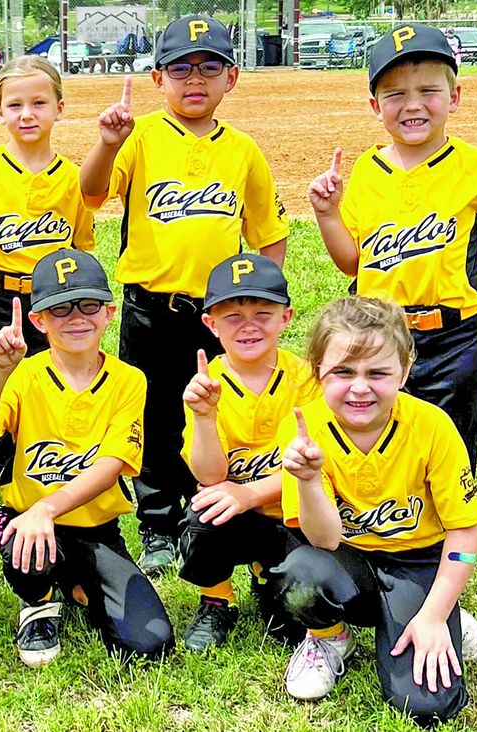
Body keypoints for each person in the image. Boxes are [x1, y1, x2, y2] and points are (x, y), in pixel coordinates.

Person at [79, 15, 289, 574]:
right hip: (152, 305)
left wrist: (260, 308)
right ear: (157, 79)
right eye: (180, 68)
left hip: (221, 314)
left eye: (209, 67)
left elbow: (269, 234)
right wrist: (107, 142)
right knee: (154, 412)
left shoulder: (243, 150)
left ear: (232, 78)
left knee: (213, 414)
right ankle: (155, 521)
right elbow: (93, 192)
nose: (194, 79)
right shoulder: (142, 136)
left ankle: (210, 510)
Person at [308, 24, 477, 476]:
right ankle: (388, 537)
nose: (412, 104)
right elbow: (352, 261)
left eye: (428, 90)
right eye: (394, 93)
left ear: (455, 96)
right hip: (377, 336)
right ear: (374, 106)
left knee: (451, 454)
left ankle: (452, 544)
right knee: (380, 446)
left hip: (454, 338)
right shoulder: (368, 169)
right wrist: (328, 215)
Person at [269, 297, 477, 727]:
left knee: (424, 706)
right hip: (347, 557)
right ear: (317, 374)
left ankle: (448, 615)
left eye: (378, 372)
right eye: (343, 372)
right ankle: (328, 640)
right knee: (300, 574)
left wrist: (435, 615)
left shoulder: (433, 426)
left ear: (404, 371)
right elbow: (325, 540)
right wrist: (309, 481)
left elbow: (464, 535)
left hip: (417, 561)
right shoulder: (304, 430)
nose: (360, 387)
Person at [0, 250, 175, 667]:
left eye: (88, 304)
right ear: (39, 320)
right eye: (59, 308)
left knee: (151, 645)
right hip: (29, 521)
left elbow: (112, 463)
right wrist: (0, 370)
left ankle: (77, 584)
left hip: (96, 528)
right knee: (24, 540)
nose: (76, 317)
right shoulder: (25, 374)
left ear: (110, 313)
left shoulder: (129, 380)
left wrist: (48, 507)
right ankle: (38, 602)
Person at [176, 254, 321, 652]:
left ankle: (266, 575)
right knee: (202, 515)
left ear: (286, 317)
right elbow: (209, 476)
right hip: (234, 517)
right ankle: (217, 597)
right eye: (233, 315)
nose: (249, 325)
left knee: (297, 617)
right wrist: (204, 418)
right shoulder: (209, 383)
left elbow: (316, 464)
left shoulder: (307, 378)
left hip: (296, 517)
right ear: (211, 324)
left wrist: (249, 493)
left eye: (263, 312)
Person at [0, 55, 95, 364]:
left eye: (39, 103)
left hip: (57, 298)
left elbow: (81, 247)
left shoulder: (74, 177)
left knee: (54, 380)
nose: (27, 114)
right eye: (15, 105)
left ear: (59, 109)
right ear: (0, 113)